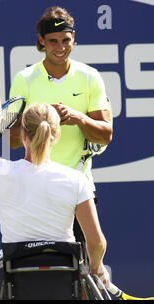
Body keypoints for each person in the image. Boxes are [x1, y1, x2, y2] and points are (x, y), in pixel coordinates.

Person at [0, 102, 110, 289]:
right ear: (57, 136)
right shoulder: (76, 180)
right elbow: (96, 243)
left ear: (23, 135)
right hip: (64, 283)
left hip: (16, 284)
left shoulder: (1, 172)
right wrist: (97, 268)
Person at [8, 6, 113, 242]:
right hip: (35, 186)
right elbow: (12, 139)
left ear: (74, 39)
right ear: (41, 41)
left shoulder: (90, 77)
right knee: (34, 264)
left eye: (66, 40)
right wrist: (43, 120)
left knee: (85, 262)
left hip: (78, 186)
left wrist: (77, 117)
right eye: (53, 41)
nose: (60, 47)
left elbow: (106, 134)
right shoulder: (24, 80)